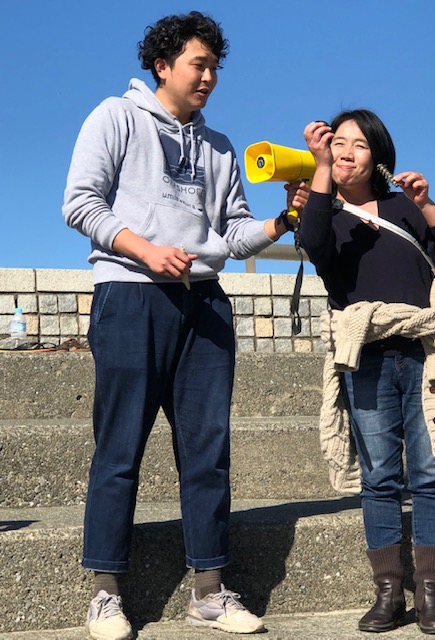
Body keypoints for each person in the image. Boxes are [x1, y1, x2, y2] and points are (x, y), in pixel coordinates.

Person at [62, 11, 306, 640]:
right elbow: (79, 203)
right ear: (162, 65)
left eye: (215, 68)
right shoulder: (114, 117)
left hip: (205, 304)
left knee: (207, 453)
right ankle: (105, 594)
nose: (209, 77)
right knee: (119, 450)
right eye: (199, 64)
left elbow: (234, 232)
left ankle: (209, 591)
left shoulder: (219, 146)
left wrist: (282, 223)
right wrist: (145, 250)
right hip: (130, 294)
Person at [299, 110, 435, 635]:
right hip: (366, 358)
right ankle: (388, 593)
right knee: (378, 479)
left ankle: (430, 594)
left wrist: (425, 202)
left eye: (359, 144)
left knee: (430, 474)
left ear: (378, 155)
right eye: (338, 142)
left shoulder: (402, 205)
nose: (346, 151)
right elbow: (313, 245)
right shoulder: (323, 210)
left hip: (425, 353)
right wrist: (320, 170)